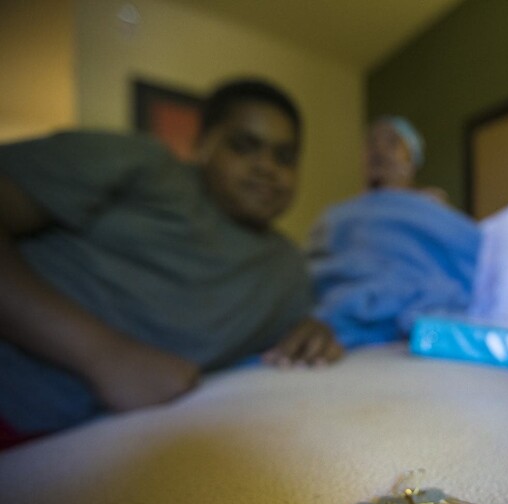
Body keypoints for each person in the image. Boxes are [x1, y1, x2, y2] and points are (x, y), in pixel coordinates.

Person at [0, 78, 343, 448]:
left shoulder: (288, 269)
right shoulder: (142, 165)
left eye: (285, 156)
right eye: (244, 146)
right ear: (202, 144)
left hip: (68, 445)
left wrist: (313, 333)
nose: (266, 167)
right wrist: (103, 355)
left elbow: (295, 337)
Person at [308, 116, 480, 348]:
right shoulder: (339, 216)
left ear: (413, 157)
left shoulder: (432, 211)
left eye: (391, 142)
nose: (379, 149)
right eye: (372, 143)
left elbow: (471, 260)